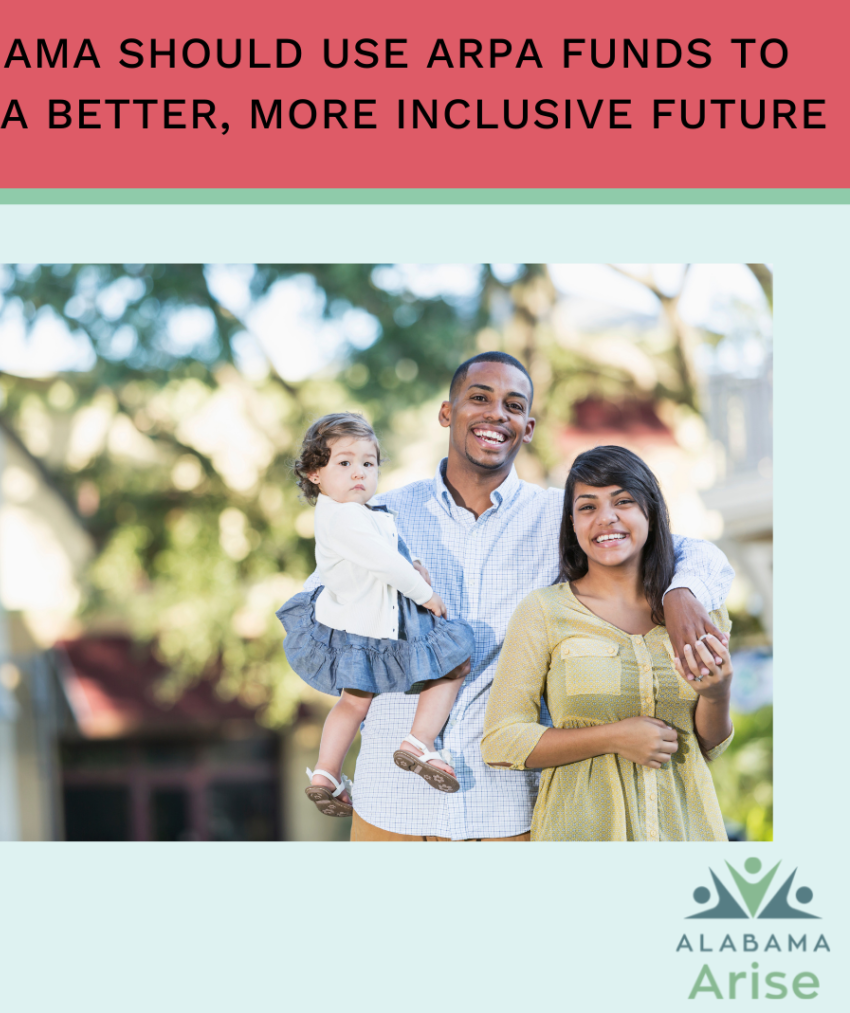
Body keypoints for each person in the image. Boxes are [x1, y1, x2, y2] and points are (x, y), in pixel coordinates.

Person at [291, 351, 732, 842]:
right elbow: (325, 605)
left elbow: (690, 551)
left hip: (509, 810)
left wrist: (683, 592)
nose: (496, 413)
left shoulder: (559, 518)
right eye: (479, 398)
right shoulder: (381, 515)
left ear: (527, 428)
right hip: (389, 806)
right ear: (446, 413)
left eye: (513, 405)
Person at [481, 445, 733, 841]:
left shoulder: (700, 612)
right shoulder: (544, 612)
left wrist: (717, 695)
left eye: (623, 501)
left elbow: (707, 747)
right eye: (588, 507)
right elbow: (500, 740)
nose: (606, 518)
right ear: (572, 523)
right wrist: (613, 737)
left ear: (650, 510)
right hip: (580, 835)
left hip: (687, 832)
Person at [276, 412, 474, 818]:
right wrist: (427, 593)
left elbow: (391, 548)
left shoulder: (347, 514)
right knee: (455, 662)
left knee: (353, 703)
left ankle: (327, 773)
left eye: (368, 463)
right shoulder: (346, 516)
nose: (358, 473)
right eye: (344, 463)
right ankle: (420, 740)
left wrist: (416, 560)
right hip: (380, 628)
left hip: (352, 629)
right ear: (315, 473)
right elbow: (385, 562)